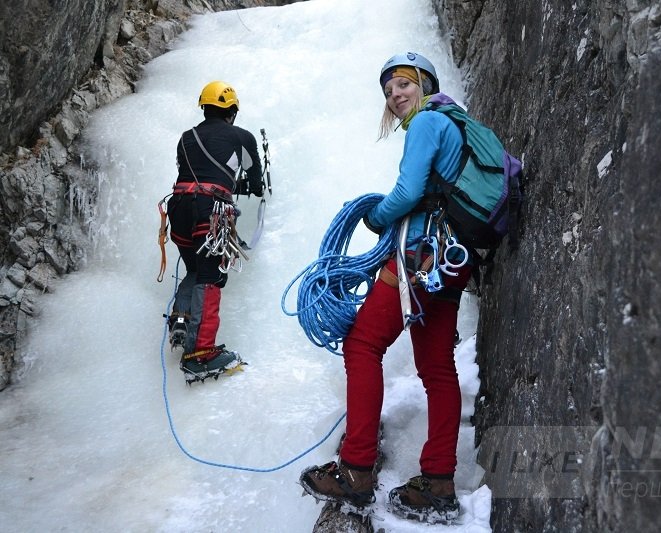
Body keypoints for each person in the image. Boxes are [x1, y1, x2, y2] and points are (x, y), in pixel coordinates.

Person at [299, 52, 471, 524]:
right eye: (388, 91)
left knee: (362, 343)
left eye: (403, 84)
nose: (395, 95)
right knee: (437, 368)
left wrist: (375, 217)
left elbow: (409, 193)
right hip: (451, 260)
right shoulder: (455, 124)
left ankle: (355, 470)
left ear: (425, 84)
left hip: (419, 256)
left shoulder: (427, 122)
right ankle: (439, 483)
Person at [166, 80, 264, 383]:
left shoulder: (186, 137)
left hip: (178, 208)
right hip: (210, 211)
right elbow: (254, 178)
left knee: (195, 269)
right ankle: (200, 354)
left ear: (205, 108)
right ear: (231, 111)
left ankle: (181, 320)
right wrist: (250, 187)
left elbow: (192, 171)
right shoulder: (242, 136)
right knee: (210, 276)